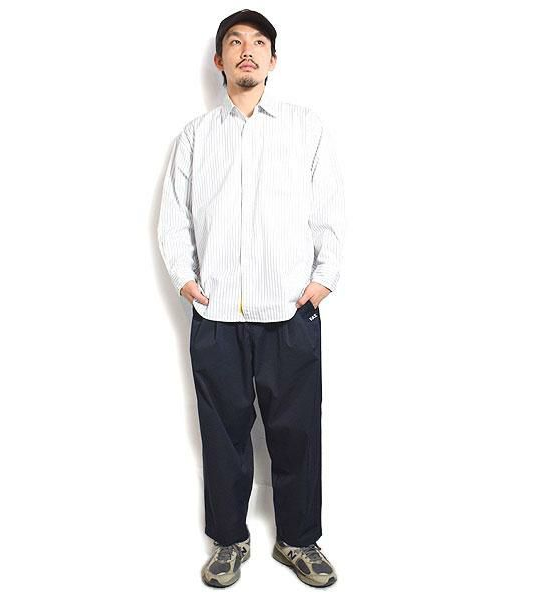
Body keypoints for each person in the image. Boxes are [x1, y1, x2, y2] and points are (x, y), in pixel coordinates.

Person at [157, 9, 345, 588]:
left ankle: (299, 540)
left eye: (259, 43)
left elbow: (328, 209)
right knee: (222, 436)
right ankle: (228, 541)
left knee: (298, 433)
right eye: (235, 42)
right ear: (219, 60)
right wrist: (186, 279)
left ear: (272, 59)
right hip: (216, 315)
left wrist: (324, 279)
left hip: (290, 310)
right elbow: (174, 218)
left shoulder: (305, 127)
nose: (247, 50)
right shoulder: (195, 136)